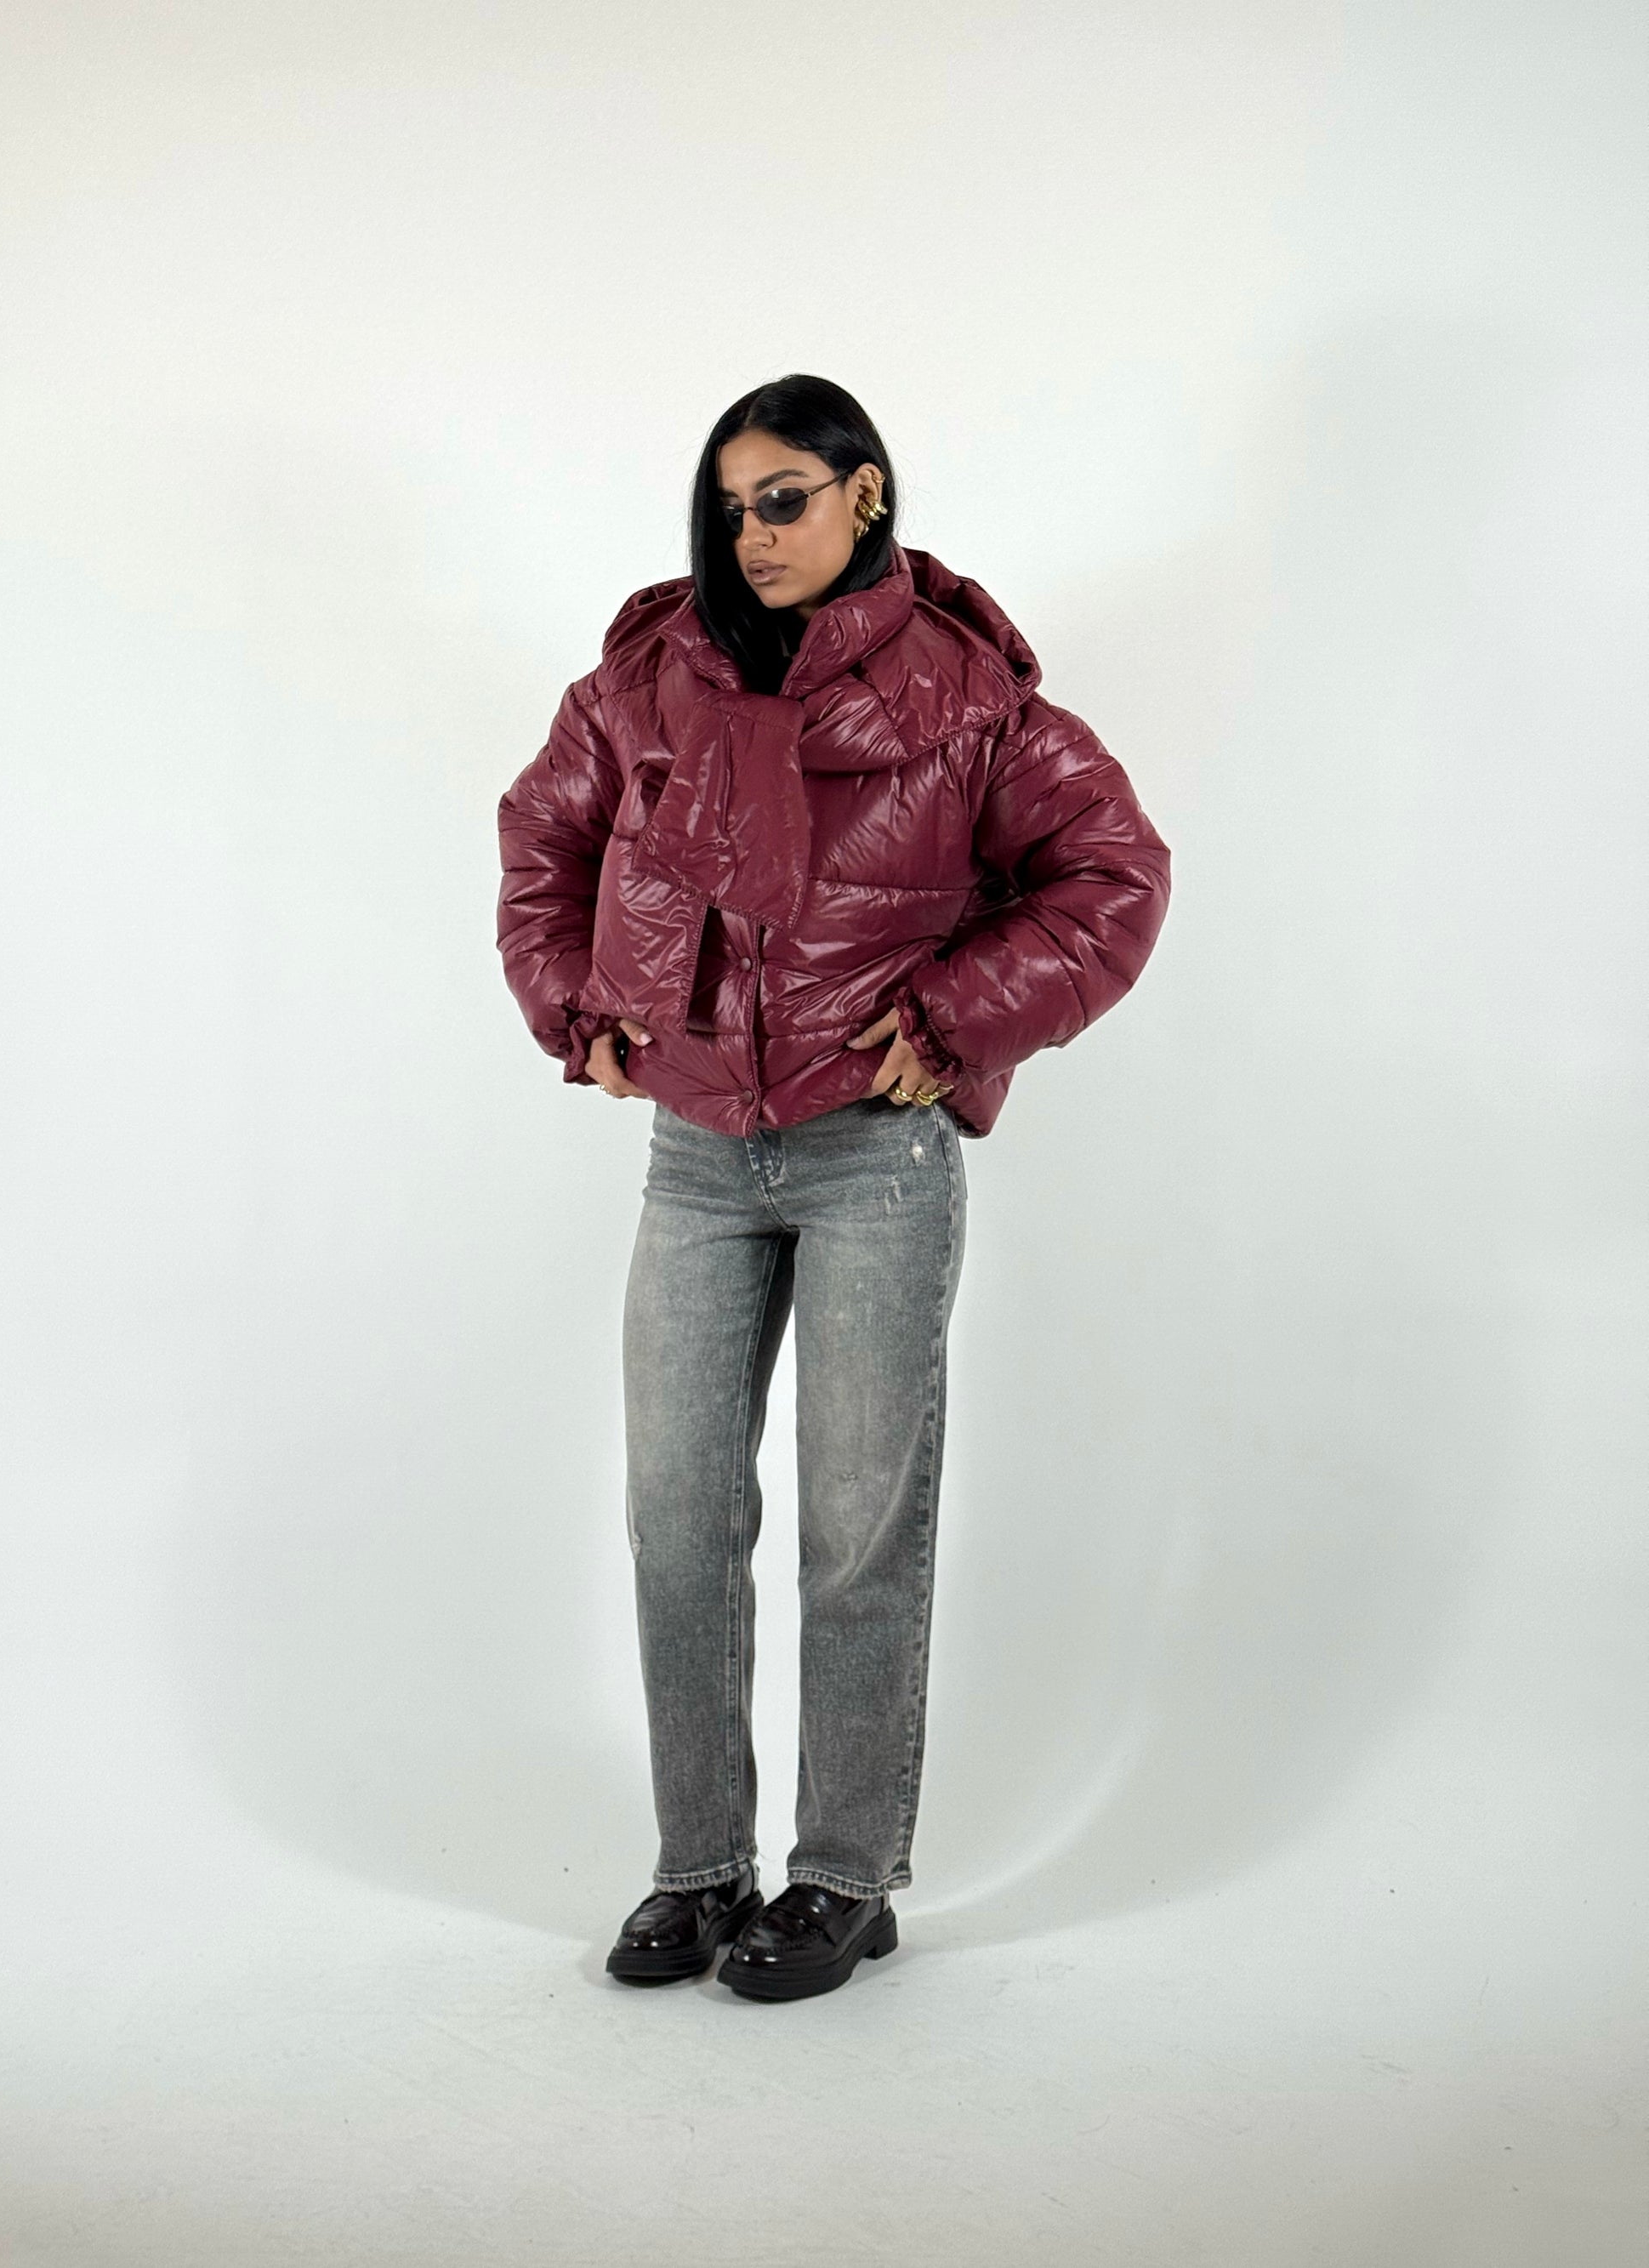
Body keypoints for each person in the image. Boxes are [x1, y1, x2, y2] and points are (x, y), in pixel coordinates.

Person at [496, 374, 1171, 2000]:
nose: (753, 533)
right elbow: (543, 847)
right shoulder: (646, 677)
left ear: (865, 492)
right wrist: (581, 1008)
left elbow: (1113, 874)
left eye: (784, 498)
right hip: (695, 1156)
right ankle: (699, 1869)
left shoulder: (965, 692)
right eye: (732, 506)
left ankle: (845, 1879)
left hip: (877, 1153)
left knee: (859, 1530)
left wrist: (951, 1020)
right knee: (678, 1516)